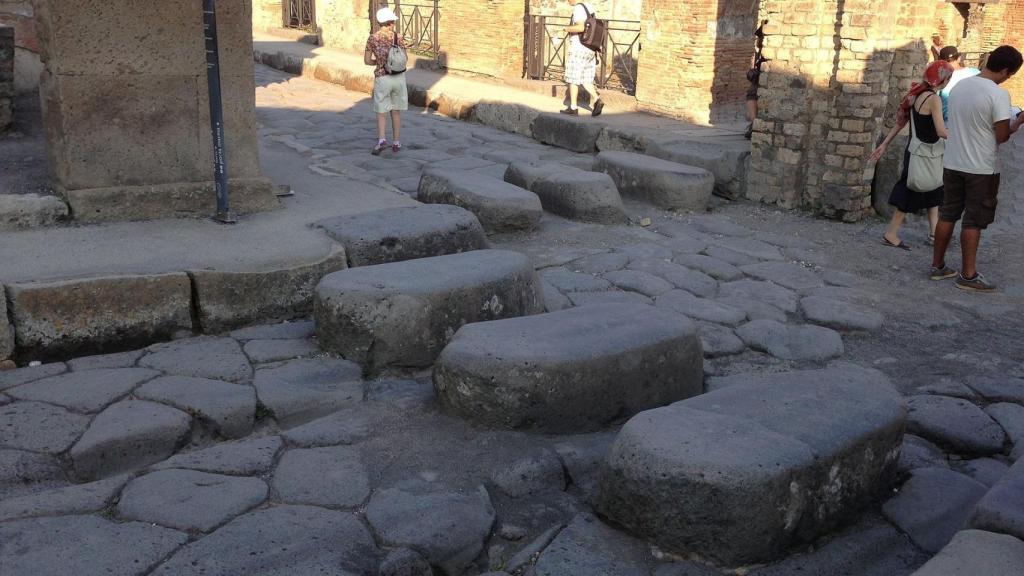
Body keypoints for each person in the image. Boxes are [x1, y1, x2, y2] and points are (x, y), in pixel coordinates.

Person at [931, 45, 1024, 292]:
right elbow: (1002, 136)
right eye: (1010, 74)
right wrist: (1019, 121)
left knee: (947, 214)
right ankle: (968, 275)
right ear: (1005, 70)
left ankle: (937, 266)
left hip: (952, 162)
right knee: (974, 220)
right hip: (981, 168)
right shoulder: (998, 95)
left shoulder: (961, 86)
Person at [869, 60, 954, 250]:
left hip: (917, 151)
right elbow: (941, 131)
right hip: (924, 153)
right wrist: (964, 136)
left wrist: (884, 145)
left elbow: (901, 122)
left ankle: (934, 233)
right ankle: (891, 233)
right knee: (911, 191)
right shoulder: (934, 99)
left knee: (934, 189)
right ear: (943, 79)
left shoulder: (916, 94)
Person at [364, 7, 408, 155]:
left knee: (381, 111)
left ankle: (382, 140)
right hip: (398, 78)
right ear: (390, 22)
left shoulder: (372, 38)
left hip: (382, 78)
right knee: (396, 111)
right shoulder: (398, 37)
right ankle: (396, 142)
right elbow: (405, 59)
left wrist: (379, 63)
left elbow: (366, 60)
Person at [560, 0, 604, 117]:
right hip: (590, 48)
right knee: (586, 79)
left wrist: (566, 28)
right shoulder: (590, 7)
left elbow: (580, 27)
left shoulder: (578, 8)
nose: (567, 1)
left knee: (573, 78)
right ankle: (597, 99)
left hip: (579, 48)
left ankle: (573, 108)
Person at [938, 46, 980, 122]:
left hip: (949, 123)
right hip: (973, 120)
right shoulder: (975, 73)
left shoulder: (940, 78)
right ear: (959, 58)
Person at [745, 22, 767, 140]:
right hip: (759, 80)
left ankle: (754, 124)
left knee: (752, 94)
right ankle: (754, 124)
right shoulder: (760, 52)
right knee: (752, 91)